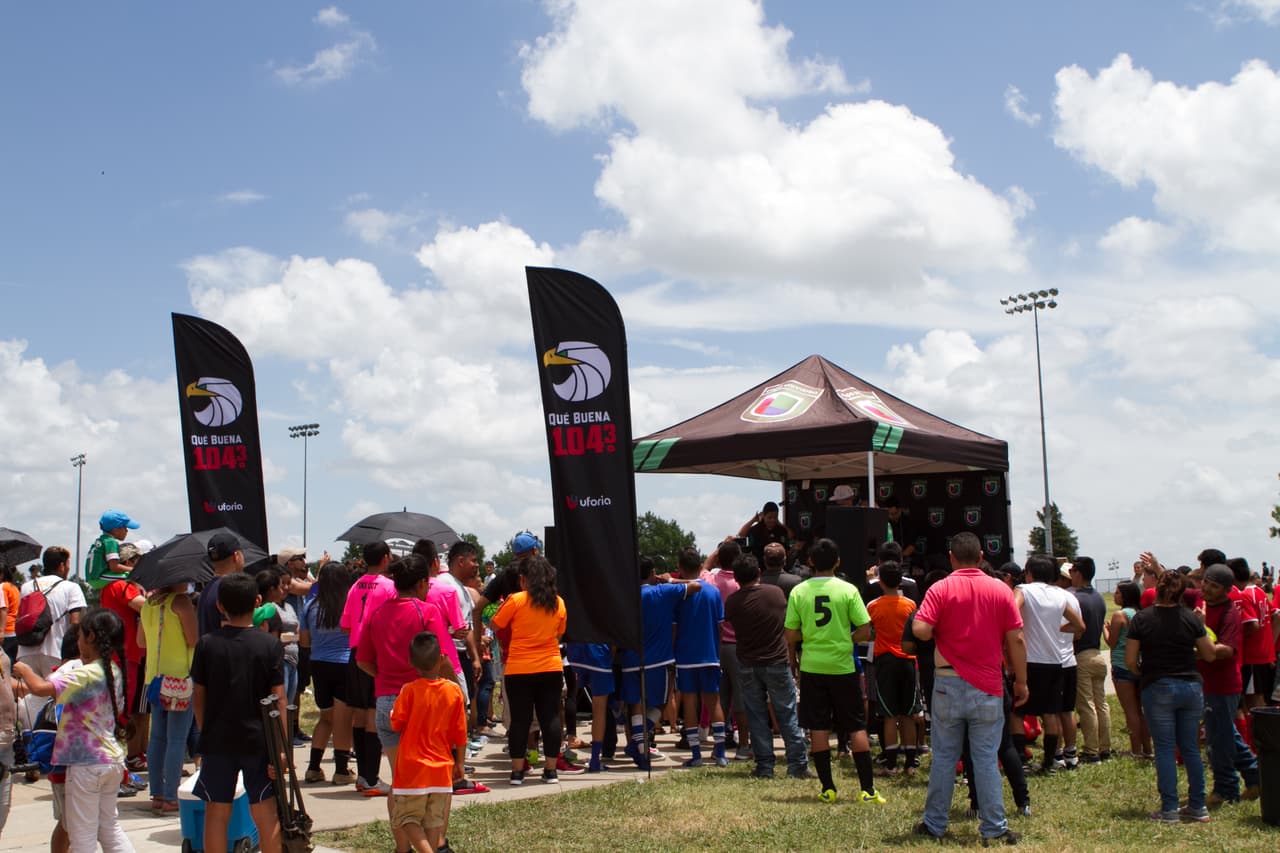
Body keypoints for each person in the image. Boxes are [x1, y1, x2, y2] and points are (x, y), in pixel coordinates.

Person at [912, 531, 1026, 845]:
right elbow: (1016, 638)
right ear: (980, 558)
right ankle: (995, 827)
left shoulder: (940, 588)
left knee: (945, 758)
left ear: (951, 557)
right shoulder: (1001, 590)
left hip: (947, 683)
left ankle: (934, 824)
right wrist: (1022, 680)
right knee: (987, 759)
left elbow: (921, 630)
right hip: (989, 684)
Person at [12, 609, 134, 853]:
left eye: (79, 636)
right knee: (109, 829)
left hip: (86, 764)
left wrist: (24, 670)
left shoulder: (86, 673)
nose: (77, 642)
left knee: (82, 838)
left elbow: (39, 688)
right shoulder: (113, 671)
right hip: (111, 760)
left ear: (89, 637)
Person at [358, 554, 454, 846]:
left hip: (387, 702)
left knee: (401, 783)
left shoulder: (376, 614)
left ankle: (402, 848)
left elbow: (362, 660)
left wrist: (386, 676)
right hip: (423, 703)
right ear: (423, 583)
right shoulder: (427, 612)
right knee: (435, 782)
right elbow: (442, 657)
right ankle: (437, 844)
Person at [191, 572, 286, 853]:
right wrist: (280, 746)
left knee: (216, 812)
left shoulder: (207, 644)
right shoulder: (269, 645)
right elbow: (279, 699)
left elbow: (198, 695)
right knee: (265, 813)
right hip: (259, 740)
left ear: (219, 605)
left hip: (218, 739)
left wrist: (204, 730)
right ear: (258, 601)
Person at [784, 537, 881, 805]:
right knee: (856, 726)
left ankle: (827, 788)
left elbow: (790, 635)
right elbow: (865, 630)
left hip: (813, 666)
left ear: (810, 562)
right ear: (838, 562)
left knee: (818, 727)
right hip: (843, 666)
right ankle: (868, 790)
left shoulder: (799, 592)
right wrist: (844, 639)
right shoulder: (848, 590)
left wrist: (810, 640)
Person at [1125, 568, 1218, 823]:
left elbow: (1130, 660)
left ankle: (1169, 809)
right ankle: (1198, 806)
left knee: (1165, 748)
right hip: (1190, 685)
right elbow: (1209, 654)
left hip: (1158, 685)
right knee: (1190, 748)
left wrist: (1142, 672)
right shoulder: (1191, 618)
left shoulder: (1142, 619)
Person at [724, 554, 808, 779]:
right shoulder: (775, 593)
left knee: (757, 716)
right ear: (758, 573)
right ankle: (798, 764)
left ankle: (764, 766)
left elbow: (730, 621)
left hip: (748, 664)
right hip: (776, 661)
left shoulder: (732, 602)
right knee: (787, 713)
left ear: (737, 578)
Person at [489, 556, 567, 785]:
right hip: (551, 666)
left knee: (520, 721)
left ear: (523, 579)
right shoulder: (558, 602)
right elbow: (560, 633)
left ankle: (516, 772)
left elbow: (495, 624)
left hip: (519, 668)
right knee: (550, 718)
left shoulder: (516, 600)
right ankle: (551, 770)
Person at [390, 633, 467, 853]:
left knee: (406, 818)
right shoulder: (454, 691)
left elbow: (396, 723)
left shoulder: (409, 691)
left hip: (412, 770)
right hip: (442, 768)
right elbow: (460, 732)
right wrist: (459, 763)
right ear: (441, 659)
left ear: (411, 663)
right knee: (434, 822)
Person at [619, 556, 699, 770]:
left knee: (635, 703)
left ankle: (639, 744)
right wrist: (670, 580)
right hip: (659, 660)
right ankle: (641, 739)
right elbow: (696, 586)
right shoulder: (663, 591)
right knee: (661, 703)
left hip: (630, 659)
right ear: (653, 573)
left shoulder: (626, 596)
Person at [1010, 554, 1084, 774]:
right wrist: (1057, 629)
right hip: (1056, 661)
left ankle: (1021, 760)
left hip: (1031, 660)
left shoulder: (1024, 589)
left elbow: (1012, 611)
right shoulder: (1060, 595)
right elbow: (1079, 625)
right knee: (1051, 714)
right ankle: (1049, 761)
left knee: (1017, 713)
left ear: (1029, 573)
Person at [1197, 562, 1260, 807]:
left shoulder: (1230, 613)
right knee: (1226, 734)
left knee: (1218, 741)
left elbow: (1227, 650)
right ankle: (1256, 777)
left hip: (1223, 684)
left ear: (1225, 590)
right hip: (1208, 682)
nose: (1208, 589)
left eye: (1214, 586)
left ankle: (1226, 789)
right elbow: (1179, 590)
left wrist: (1200, 651)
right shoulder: (1202, 606)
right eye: (1206, 583)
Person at [339, 541, 396, 794]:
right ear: (385, 558)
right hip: (376, 654)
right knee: (373, 713)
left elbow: (345, 625)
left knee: (360, 714)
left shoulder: (355, 585)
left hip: (354, 653)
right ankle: (372, 778)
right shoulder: (388, 586)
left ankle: (363, 776)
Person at [137, 580, 198, 815]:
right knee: (176, 739)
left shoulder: (147, 605)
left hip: (154, 678)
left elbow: (140, 641)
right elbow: (193, 640)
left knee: (157, 738)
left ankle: (158, 793)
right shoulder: (181, 603)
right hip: (180, 678)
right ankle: (172, 796)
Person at [300, 562, 356, 784]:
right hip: (344, 663)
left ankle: (313, 768)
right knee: (343, 720)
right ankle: (341, 771)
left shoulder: (310, 605)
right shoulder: (349, 605)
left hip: (319, 664)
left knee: (326, 718)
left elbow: (304, 641)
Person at [865, 561, 921, 776]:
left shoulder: (873, 606)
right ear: (901, 581)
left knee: (889, 715)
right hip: (908, 660)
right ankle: (910, 763)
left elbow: (869, 632)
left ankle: (890, 764)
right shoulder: (910, 605)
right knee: (908, 713)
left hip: (885, 661)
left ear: (880, 582)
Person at [675, 545, 728, 768]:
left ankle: (696, 754)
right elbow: (721, 627)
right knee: (713, 701)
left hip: (686, 655)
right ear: (700, 567)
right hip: (710, 654)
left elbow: (674, 628)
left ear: (680, 569)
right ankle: (721, 754)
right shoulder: (713, 592)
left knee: (689, 701)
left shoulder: (679, 593)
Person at [99, 542, 148, 772]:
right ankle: (120, 768)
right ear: (129, 563)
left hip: (119, 654)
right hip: (126, 655)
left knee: (119, 710)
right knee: (123, 711)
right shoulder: (122, 585)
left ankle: (121, 765)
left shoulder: (108, 587)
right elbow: (144, 606)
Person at [1068, 557, 1112, 763]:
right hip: (1098, 654)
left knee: (1086, 705)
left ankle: (1091, 749)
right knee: (1101, 704)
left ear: (1078, 573)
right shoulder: (1099, 598)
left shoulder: (1074, 597)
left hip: (1082, 654)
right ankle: (1105, 747)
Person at [17, 546, 86, 677]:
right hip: (56, 652)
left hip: (26, 651)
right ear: (61, 566)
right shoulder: (71, 587)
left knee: (28, 695)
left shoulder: (26, 587)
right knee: (55, 695)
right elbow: (75, 623)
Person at [1104, 581, 1151, 758]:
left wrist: (1105, 630)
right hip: (1139, 665)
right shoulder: (1140, 614)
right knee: (1141, 711)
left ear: (1125, 596)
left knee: (1130, 711)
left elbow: (1112, 642)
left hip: (1122, 666)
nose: (1115, 595)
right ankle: (1147, 749)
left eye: (1117, 593)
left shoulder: (1120, 615)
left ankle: (1135, 750)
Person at [84, 510, 140, 591]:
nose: (127, 530)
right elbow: (114, 567)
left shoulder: (101, 540)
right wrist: (134, 569)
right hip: (99, 578)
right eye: (125, 527)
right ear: (116, 529)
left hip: (92, 578)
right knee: (135, 575)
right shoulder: (111, 542)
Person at [1, 564, 21, 662]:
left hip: (5, 632)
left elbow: (3, 609)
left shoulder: (2, 587)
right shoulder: (14, 588)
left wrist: (1, 631)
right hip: (14, 631)